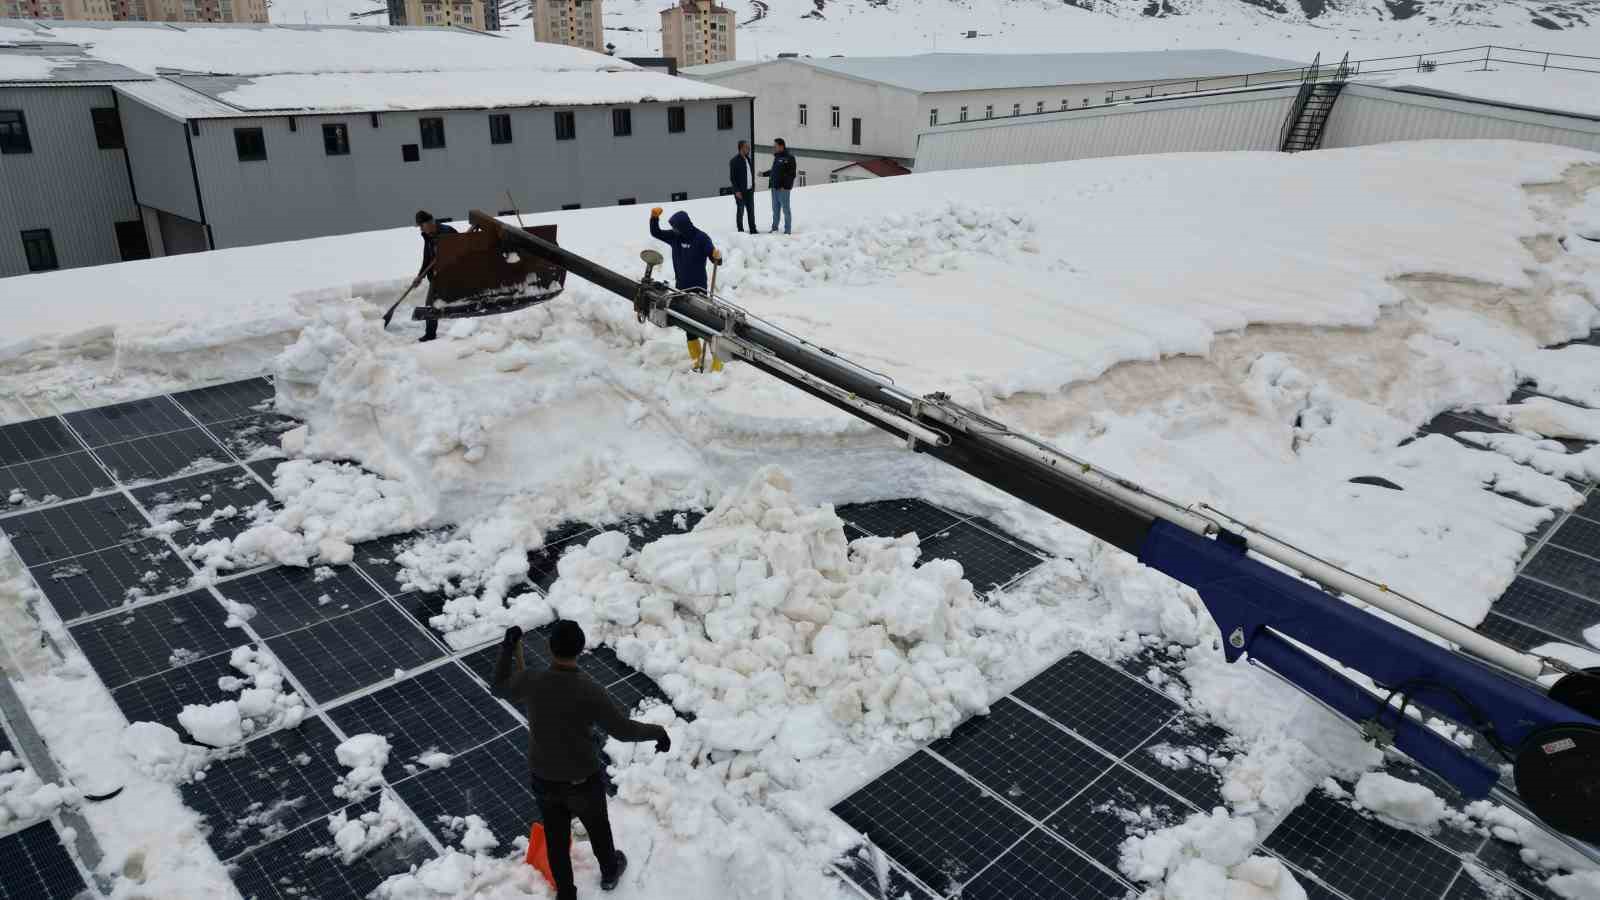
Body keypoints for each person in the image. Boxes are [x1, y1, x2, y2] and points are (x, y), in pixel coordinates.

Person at [494, 621, 670, 900]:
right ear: (580, 649)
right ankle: (610, 871)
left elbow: (499, 686)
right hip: (582, 781)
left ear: (550, 648)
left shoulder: (532, 681)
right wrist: (658, 732)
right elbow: (622, 731)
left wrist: (507, 648)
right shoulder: (589, 690)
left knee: (556, 837)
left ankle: (567, 893)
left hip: (544, 779)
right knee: (598, 828)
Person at [649, 207, 724, 372]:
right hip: (681, 290)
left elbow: (715, 259)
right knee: (688, 326)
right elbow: (657, 233)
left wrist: (716, 256)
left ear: (684, 226)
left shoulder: (701, 238)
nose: (674, 230)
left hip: (698, 290)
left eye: (676, 227)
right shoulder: (676, 236)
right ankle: (697, 360)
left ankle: (718, 361)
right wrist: (654, 218)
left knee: (705, 325)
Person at [410, 210, 458, 343]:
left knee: (437, 304)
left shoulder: (447, 232)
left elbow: (461, 250)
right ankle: (430, 334)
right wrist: (419, 277)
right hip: (436, 277)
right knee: (430, 305)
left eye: (421, 225)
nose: (420, 228)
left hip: (450, 274)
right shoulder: (428, 237)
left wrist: (445, 256)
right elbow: (427, 260)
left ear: (429, 223)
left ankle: (464, 329)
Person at [759, 138, 797, 235]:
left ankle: (787, 230)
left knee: (786, 210)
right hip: (774, 188)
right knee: (775, 210)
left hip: (783, 190)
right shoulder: (777, 157)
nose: (773, 148)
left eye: (775, 146)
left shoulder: (789, 158)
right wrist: (763, 174)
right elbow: (774, 172)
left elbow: (791, 174)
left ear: (781, 146)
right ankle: (774, 228)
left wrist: (785, 186)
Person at [728, 140, 759, 234]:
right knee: (740, 211)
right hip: (740, 192)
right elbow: (732, 178)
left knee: (751, 211)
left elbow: (749, 173)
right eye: (746, 147)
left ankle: (753, 229)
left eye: (748, 147)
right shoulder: (734, 161)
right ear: (741, 148)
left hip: (749, 190)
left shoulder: (748, 159)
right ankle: (740, 231)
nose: (748, 148)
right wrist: (737, 191)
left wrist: (753, 185)